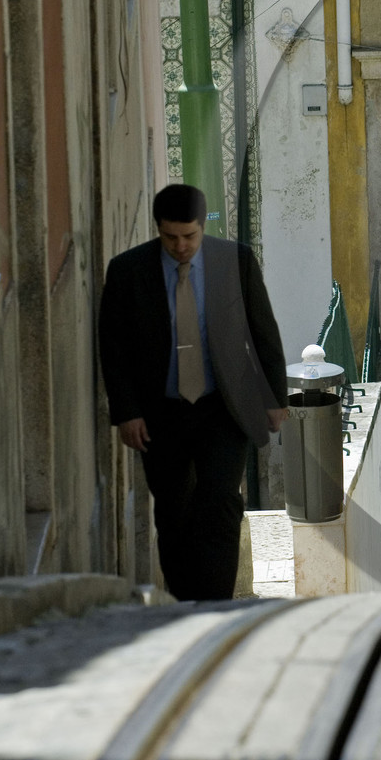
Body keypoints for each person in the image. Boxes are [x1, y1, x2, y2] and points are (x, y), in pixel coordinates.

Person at [97, 184, 288, 601]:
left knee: (220, 503)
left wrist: (275, 398)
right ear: (158, 230)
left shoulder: (234, 262)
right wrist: (127, 411)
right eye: (171, 238)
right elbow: (113, 348)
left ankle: (216, 604)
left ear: (203, 228)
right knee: (173, 511)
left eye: (189, 236)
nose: (181, 246)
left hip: (223, 406)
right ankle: (185, 602)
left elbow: (263, 331)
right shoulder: (128, 271)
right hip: (159, 411)